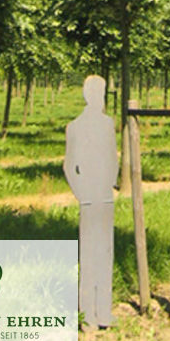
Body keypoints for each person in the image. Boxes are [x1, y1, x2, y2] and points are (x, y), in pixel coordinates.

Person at [64, 75, 119, 327]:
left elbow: (68, 167)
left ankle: (92, 316)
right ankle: (98, 314)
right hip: (100, 196)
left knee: (91, 253)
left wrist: (80, 191)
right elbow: (112, 159)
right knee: (101, 253)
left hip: (93, 196)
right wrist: (107, 184)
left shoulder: (75, 125)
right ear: (92, 95)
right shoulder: (105, 124)